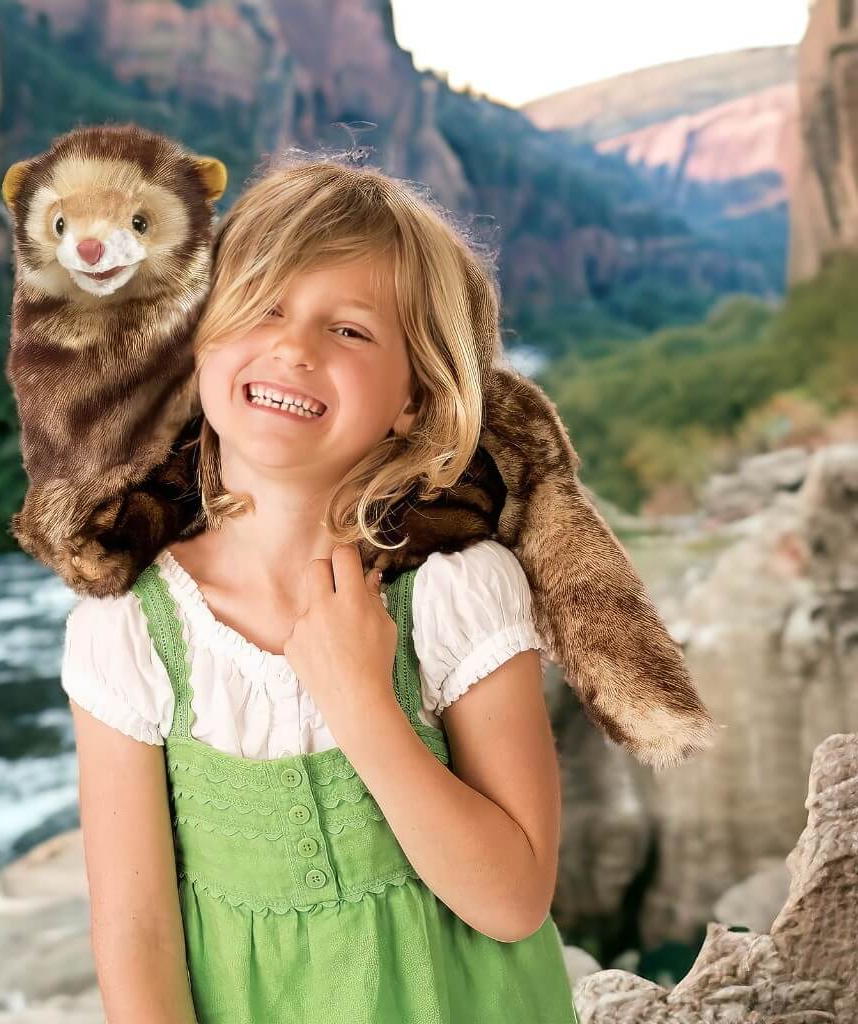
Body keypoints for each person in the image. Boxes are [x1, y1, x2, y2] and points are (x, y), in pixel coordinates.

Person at [61, 151, 581, 1023]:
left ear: (413, 399)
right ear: (201, 340)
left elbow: (514, 900)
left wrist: (362, 703)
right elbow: (135, 932)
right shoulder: (130, 631)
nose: (293, 348)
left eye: (350, 331)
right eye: (262, 307)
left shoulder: (457, 593)